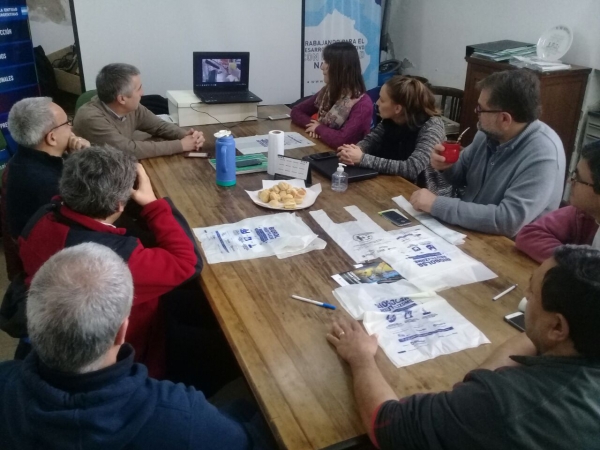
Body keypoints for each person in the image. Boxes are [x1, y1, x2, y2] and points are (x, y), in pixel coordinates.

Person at [0, 243, 274, 449]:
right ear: (122, 331)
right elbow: (249, 442)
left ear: (31, 318)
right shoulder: (181, 414)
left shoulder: (5, 381)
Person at [327, 244, 600, 450]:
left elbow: (385, 425)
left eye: (532, 291)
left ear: (558, 328)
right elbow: (527, 341)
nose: (525, 297)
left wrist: (361, 358)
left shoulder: (507, 403)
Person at [17, 145, 202, 378]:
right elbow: (188, 263)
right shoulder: (117, 259)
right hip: (130, 354)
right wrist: (153, 204)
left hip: (61, 332)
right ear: (118, 206)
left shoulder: (42, 217)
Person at [409, 69, 566, 237]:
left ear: (505, 119)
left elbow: (507, 221)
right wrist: (445, 166)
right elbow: (460, 176)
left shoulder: (543, 154)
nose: (476, 113)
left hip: (507, 249)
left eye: (481, 109)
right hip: (469, 231)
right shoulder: (487, 134)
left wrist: (436, 205)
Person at [1, 97, 90, 282]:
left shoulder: (23, 158)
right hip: (60, 268)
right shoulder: (49, 184)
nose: (71, 127)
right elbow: (93, 213)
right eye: (67, 123)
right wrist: (85, 158)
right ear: (51, 137)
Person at [337, 76, 451, 196]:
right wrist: (353, 151)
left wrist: (362, 159)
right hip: (392, 184)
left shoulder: (432, 126)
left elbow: (413, 168)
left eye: (382, 99)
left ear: (397, 108)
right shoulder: (390, 120)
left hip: (424, 195)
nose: (377, 103)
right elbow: (371, 141)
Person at [73, 63, 204, 159]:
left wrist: (186, 136)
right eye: (138, 89)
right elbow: (128, 150)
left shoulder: (131, 107)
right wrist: (181, 145)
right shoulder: (90, 118)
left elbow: (158, 126)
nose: (142, 93)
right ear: (122, 99)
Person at [516, 139, 600, 262]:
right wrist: (575, 263)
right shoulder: (582, 212)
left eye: (578, 178)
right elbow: (530, 234)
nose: (570, 182)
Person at [290, 42, 373, 149]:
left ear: (341, 68)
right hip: (322, 149)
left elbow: (342, 140)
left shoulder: (363, 104)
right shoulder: (328, 91)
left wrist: (319, 129)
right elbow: (296, 111)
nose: (322, 67)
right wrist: (314, 126)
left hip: (345, 160)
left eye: (326, 62)